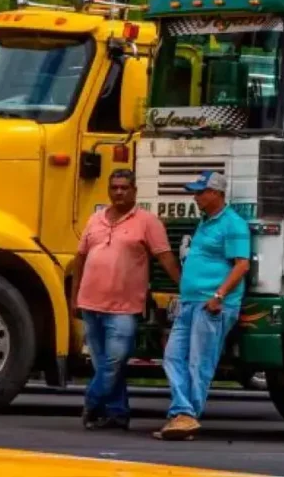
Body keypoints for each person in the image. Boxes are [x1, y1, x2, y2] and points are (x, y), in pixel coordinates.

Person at [70, 169, 180, 430]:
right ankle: (117, 413)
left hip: (124, 307)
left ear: (134, 191)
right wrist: (73, 298)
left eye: (124, 188)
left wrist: (184, 287)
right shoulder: (95, 219)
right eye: (114, 187)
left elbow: (165, 257)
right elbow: (80, 259)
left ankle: (92, 400)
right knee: (102, 363)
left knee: (114, 361)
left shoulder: (147, 222)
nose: (119, 192)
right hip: (90, 303)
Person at [154, 171, 251, 441]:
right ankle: (183, 414)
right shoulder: (205, 222)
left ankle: (186, 416)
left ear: (216, 194)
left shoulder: (232, 224)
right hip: (190, 303)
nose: (195, 197)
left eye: (200, 192)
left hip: (212, 306)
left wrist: (218, 296)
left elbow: (242, 265)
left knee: (200, 362)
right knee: (173, 357)